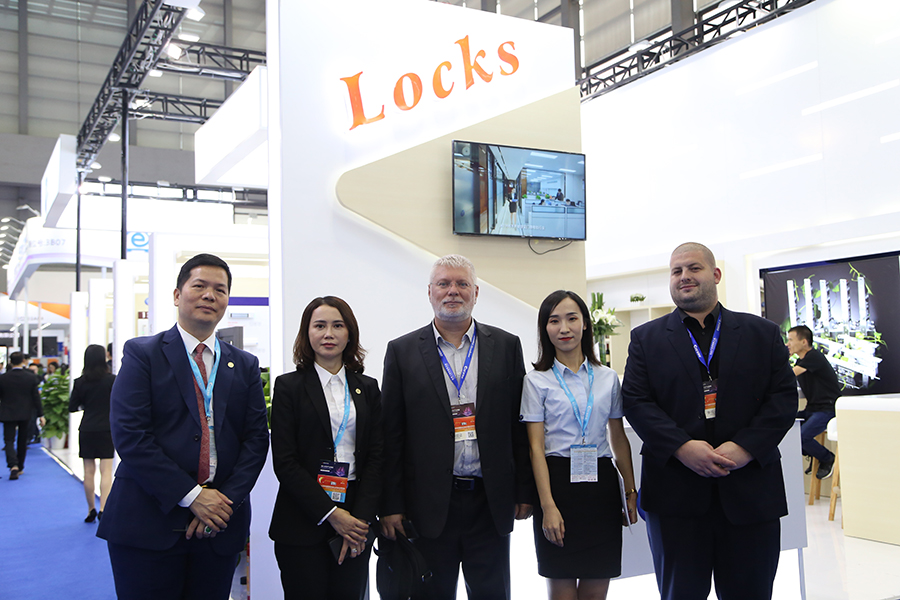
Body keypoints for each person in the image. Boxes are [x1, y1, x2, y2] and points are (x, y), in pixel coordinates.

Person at [622, 242, 797, 600]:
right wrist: (682, 447)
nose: (684, 276)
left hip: (749, 492)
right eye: (676, 271)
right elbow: (636, 402)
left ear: (715, 275)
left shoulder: (761, 333)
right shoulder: (646, 339)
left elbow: (783, 399)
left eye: (693, 268)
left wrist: (746, 447)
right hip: (675, 496)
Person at [96, 253, 270, 600]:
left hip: (218, 527)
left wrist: (222, 503)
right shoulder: (143, 354)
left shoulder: (245, 365)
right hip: (148, 524)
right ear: (177, 295)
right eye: (199, 286)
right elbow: (131, 436)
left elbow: (255, 440)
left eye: (220, 290)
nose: (209, 295)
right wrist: (193, 496)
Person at [381, 254, 533, 600]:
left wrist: (524, 490)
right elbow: (392, 436)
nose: (453, 291)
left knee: (492, 594)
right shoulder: (402, 351)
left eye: (462, 283)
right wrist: (391, 504)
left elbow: (518, 424)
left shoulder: (506, 346)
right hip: (428, 505)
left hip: (489, 501)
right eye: (444, 284)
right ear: (430, 292)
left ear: (476, 292)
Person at [520, 290, 637, 600]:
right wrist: (547, 506)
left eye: (572, 318)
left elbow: (618, 437)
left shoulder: (607, 378)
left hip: (601, 487)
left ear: (585, 324)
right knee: (561, 593)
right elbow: (535, 448)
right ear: (545, 329)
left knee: (596, 592)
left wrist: (630, 490)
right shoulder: (536, 381)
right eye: (554, 321)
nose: (564, 328)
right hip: (557, 485)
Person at [269, 296, 382, 600]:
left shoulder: (367, 388)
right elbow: (285, 462)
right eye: (319, 326)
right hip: (302, 517)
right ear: (307, 333)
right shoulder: (289, 387)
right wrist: (332, 514)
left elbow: (376, 458)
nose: (328, 334)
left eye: (337, 326)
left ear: (349, 333)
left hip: (355, 516)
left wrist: (359, 522)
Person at [68, 344, 116, 523]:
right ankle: (104, 508)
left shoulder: (80, 382)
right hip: (106, 429)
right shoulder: (112, 380)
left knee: (88, 471)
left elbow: (72, 407)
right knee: (106, 471)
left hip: (87, 428)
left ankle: (91, 510)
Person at [787, 324, 840, 480]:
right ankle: (813, 454)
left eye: (791, 340)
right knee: (785, 425)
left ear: (804, 342)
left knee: (802, 436)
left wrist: (782, 358)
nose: (788, 344)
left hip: (827, 409)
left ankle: (827, 458)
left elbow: (788, 375)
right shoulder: (801, 361)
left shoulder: (813, 357)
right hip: (812, 409)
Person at [0, 351, 44, 480]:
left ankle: (12, 465)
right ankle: (20, 466)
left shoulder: (3, 378)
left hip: (7, 412)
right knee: (22, 439)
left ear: (10, 362)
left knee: (8, 440)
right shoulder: (30, 377)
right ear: (23, 361)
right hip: (25, 412)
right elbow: (36, 398)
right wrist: (40, 414)